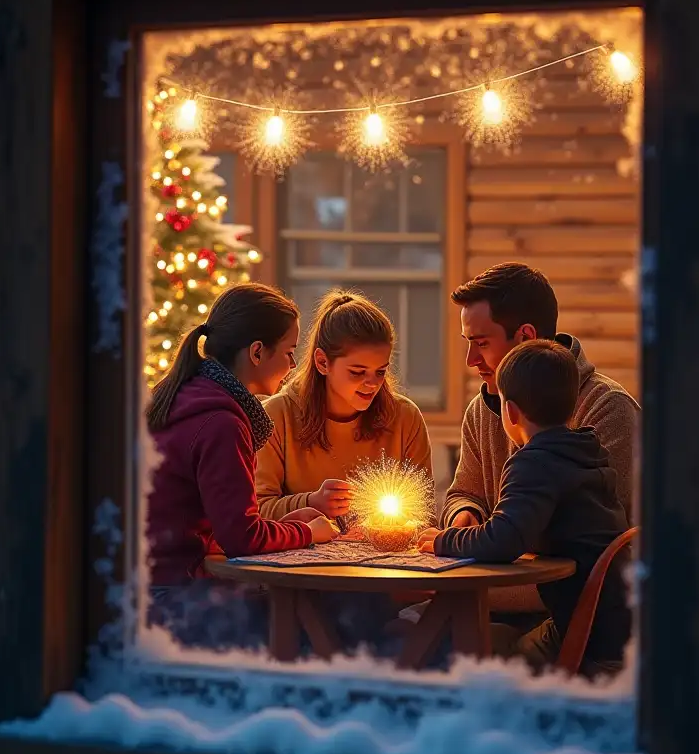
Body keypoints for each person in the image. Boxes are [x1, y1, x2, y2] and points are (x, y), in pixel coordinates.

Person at [418, 339, 632, 678]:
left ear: (511, 411)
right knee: (499, 647)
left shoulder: (534, 462)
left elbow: (504, 538)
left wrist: (445, 540)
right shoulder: (584, 451)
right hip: (610, 618)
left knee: (478, 666)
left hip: (586, 634)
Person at [145, 282, 335, 650]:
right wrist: (310, 533)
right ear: (258, 352)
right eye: (290, 352)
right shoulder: (221, 423)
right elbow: (241, 538)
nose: (293, 366)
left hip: (146, 584)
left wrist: (284, 525)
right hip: (175, 598)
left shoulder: (184, 394)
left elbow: (221, 521)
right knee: (314, 624)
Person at [442, 262, 639, 532]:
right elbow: (463, 493)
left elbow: (609, 528)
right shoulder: (481, 410)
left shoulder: (608, 408)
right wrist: (464, 514)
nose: (470, 360)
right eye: (468, 342)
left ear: (526, 336)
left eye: (482, 343)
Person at [256, 289, 433, 523]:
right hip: (301, 556)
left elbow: (424, 514)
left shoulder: (404, 418)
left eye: (380, 371)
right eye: (357, 372)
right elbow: (256, 510)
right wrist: (309, 503)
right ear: (322, 362)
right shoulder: (276, 416)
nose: (372, 384)